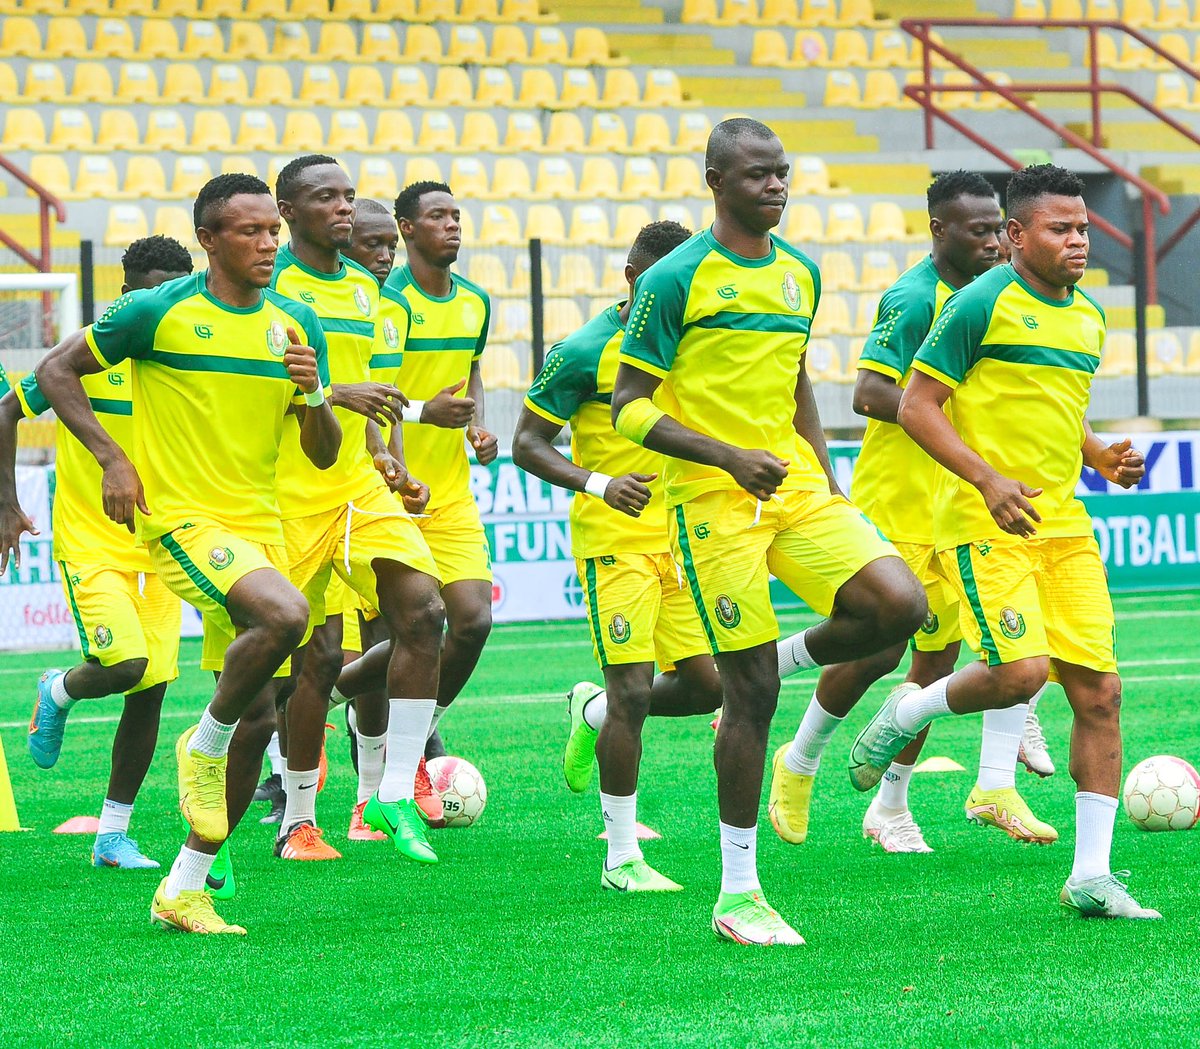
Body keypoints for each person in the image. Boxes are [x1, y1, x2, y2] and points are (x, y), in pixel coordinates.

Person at [611, 118, 927, 945]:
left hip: (793, 489)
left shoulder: (801, 273)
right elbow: (630, 408)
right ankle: (739, 892)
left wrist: (823, 472)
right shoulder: (675, 279)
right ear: (716, 180)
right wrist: (724, 455)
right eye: (758, 175)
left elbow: (794, 381)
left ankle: (782, 657)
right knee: (750, 695)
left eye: (783, 173)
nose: (776, 186)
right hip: (712, 504)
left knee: (898, 606)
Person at [849, 163, 1159, 919]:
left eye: (1084, 227)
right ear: (1016, 235)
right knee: (1021, 674)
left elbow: (1057, 408)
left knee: (1099, 692)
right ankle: (911, 711)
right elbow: (917, 406)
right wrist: (987, 480)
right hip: (984, 521)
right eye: (1061, 228)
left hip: (1063, 525)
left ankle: (1090, 875)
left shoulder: (1087, 316)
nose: (1079, 241)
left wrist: (1097, 456)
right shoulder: (977, 303)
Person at [37, 173, 341, 934]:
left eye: (273, 230)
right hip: (181, 522)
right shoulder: (157, 310)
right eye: (249, 231)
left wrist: (313, 395)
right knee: (289, 615)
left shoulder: (297, 323)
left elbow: (324, 450)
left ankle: (182, 886)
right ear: (209, 239)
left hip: (260, 528)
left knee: (261, 724)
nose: (268, 243)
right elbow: (52, 372)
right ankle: (198, 742)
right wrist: (113, 457)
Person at [771, 171, 1054, 853]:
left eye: (998, 227)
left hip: (962, 500)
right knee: (882, 646)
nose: (993, 241)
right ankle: (797, 752)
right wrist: (939, 406)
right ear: (938, 230)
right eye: (978, 230)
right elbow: (869, 391)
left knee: (948, 648)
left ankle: (894, 806)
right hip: (898, 501)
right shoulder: (912, 296)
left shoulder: (1001, 297)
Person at [514, 219, 727, 891]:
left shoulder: (692, 344)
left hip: (685, 538)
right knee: (634, 690)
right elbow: (527, 441)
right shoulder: (583, 351)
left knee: (705, 688)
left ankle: (592, 712)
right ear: (635, 281)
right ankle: (621, 855)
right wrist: (600, 484)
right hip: (616, 543)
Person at [264, 155, 445, 863]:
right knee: (316, 658)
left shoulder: (370, 295)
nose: (344, 208)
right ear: (287, 212)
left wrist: (384, 456)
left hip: (357, 489)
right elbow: (252, 394)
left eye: (347, 196)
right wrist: (339, 396)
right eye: (325, 198)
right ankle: (298, 818)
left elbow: (368, 399)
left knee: (424, 613)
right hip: (283, 496)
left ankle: (393, 789)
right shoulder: (270, 287)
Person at [0, 238, 190, 869]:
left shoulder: (189, 356)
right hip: (92, 543)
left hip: (164, 545)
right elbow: (7, 410)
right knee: (126, 664)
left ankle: (113, 836)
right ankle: (58, 689)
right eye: (140, 289)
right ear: (122, 291)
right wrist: (7, 504)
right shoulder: (85, 351)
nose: (149, 302)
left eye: (166, 290)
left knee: (151, 691)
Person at [333, 181, 495, 797]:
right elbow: (380, 398)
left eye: (457, 214)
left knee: (473, 621)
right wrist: (405, 453)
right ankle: (382, 773)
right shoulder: (385, 304)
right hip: (387, 490)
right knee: (399, 633)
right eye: (438, 216)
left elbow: (469, 371)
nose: (452, 225)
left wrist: (476, 425)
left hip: (447, 492)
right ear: (407, 229)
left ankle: (409, 721)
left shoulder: (475, 301)